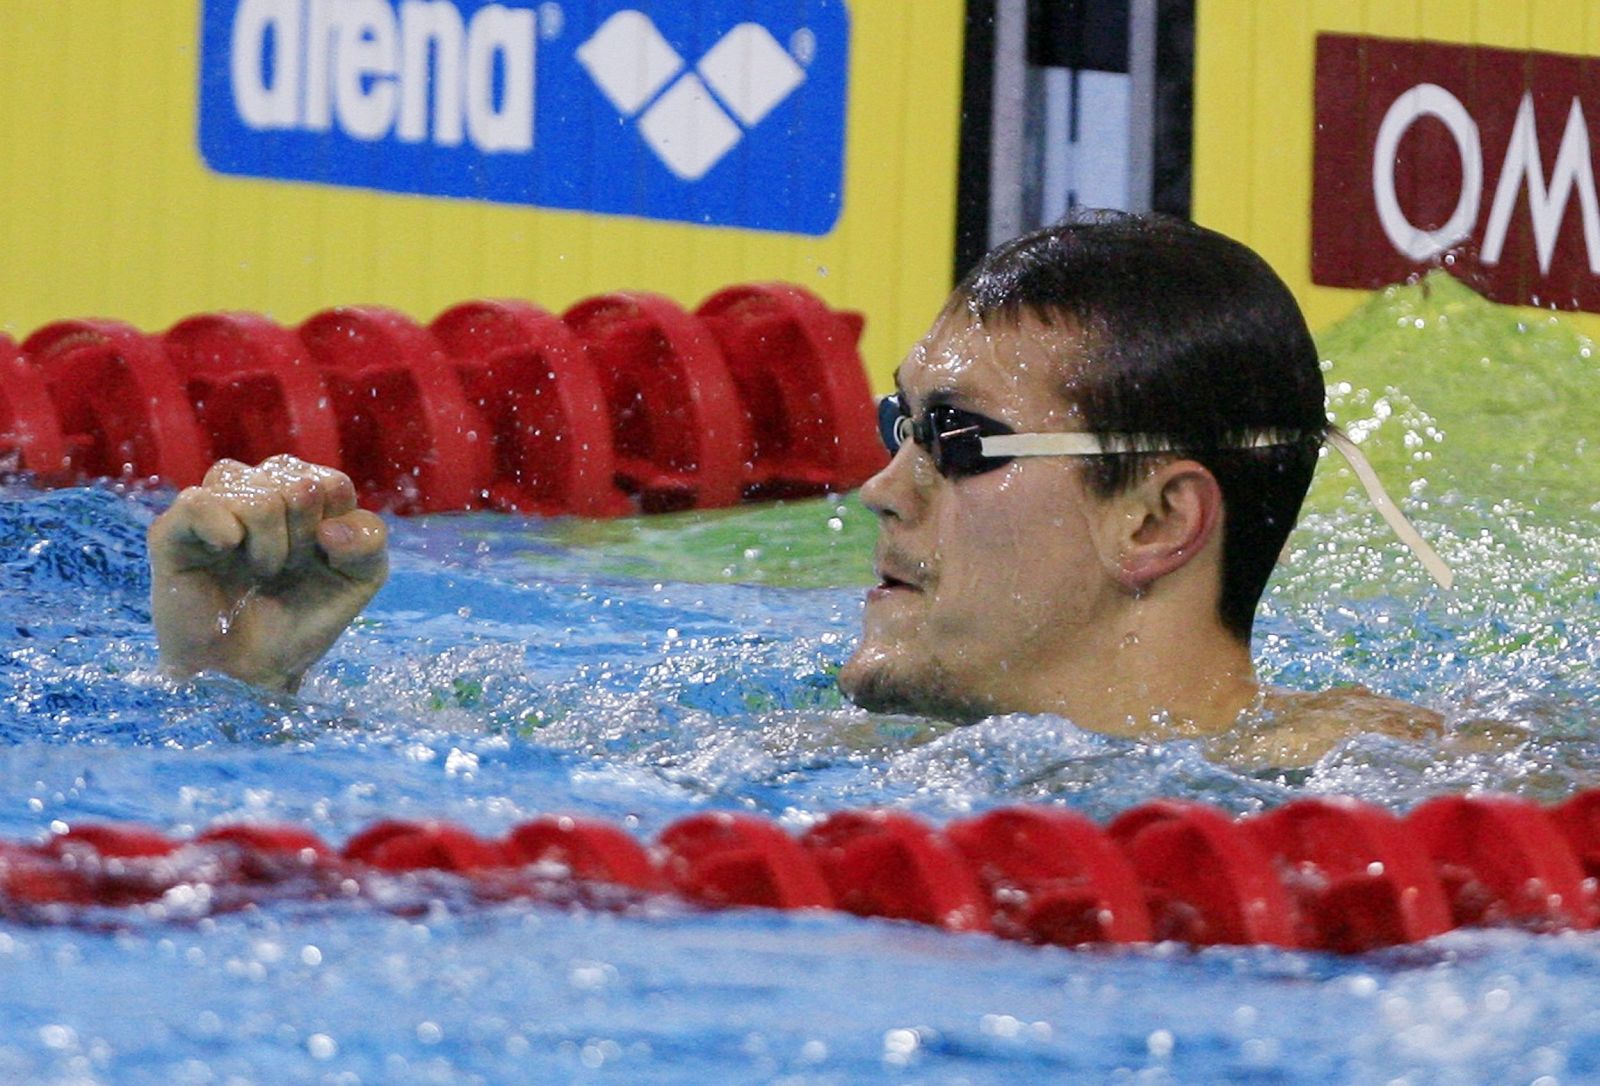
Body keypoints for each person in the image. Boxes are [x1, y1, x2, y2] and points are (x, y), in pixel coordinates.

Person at [147, 212, 1447, 764]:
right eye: (899, 424)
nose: (882, 488)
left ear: (1159, 521)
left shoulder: (1354, 785)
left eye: (962, 441)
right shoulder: (818, 762)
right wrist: (240, 685)